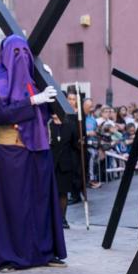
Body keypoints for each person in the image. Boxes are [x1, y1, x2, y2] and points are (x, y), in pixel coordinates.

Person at [0, 35, 67, 272]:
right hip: (12, 149)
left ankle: (44, 252)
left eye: (25, 52)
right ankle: (10, 257)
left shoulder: (36, 80)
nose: (21, 57)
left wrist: (49, 82)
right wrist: (31, 101)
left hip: (40, 148)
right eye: (15, 52)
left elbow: (54, 109)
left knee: (41, 202)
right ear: (4, 55)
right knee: (14, 204)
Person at [51, 92, 83, 229]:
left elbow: (76, 143)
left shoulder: (69, 124)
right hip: (50, 163)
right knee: (50, 193)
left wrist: (81, 141)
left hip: (65, 164)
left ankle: (62, 219)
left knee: (63, 193)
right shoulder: (48, 125)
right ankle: (50, 218)